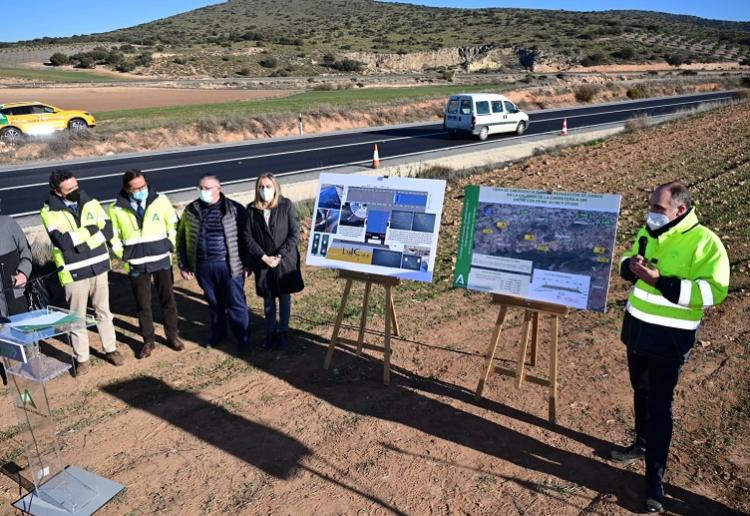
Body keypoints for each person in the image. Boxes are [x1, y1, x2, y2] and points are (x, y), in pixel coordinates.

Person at [612, 181, 730, 513]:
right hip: (636, 329)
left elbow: (714, 291)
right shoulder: (648, 229)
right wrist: (629, 269)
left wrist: (660, 282)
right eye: (651, 206)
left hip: (669, 338)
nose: (652, 214)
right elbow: (629, 255)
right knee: (640, 390)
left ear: (680, 210)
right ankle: (641, 444)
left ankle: (655, 482)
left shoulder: (706, 242)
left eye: (658, 209)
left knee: (659, 407)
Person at [39, 170, 124, 376]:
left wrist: (81, 243)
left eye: (76, 187)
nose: (75, 191)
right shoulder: (49, 212)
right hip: (73, 272)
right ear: (57, 192)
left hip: (99, 267)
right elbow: (63, 242)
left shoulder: (91, 202)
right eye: (69, 190)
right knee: (76, 317)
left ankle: (110, 349)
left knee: (103, 311)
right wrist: (91, 230)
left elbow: (108, 230)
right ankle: (82, 359)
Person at [109, 169, 184, 359]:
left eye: (143, 186)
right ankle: (148, 341)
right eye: (136, 188)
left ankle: (172, 335)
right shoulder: (116, 208)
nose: (141, 190)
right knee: (143, 305)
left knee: (168, 300)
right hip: (136, 263)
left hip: (160, 259)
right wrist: (122, 254)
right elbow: (113, 235)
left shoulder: (160, 200)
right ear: (127, 189)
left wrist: (170, 244)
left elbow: (173, 224)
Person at [177, 175, 251, 351]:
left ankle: (243, 337)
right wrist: (184, 264)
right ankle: (219, 333)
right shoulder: (191, 210)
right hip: (203, 266)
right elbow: (181, 239)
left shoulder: (234, 209)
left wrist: (248, 263)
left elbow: (247, 238)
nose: (204, 192)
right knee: (214, 302)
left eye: (208, 188)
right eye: (201, 188)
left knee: (235, 302)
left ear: (219, 188)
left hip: (229, 264)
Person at [243, 173, 304, 348]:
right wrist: (263, 257)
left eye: (268, 186)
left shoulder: (286, 206)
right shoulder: (252, 210)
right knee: (268, 298)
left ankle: (283, 331)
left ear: (275, 187)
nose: (264, 190)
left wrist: (279, 256)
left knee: (284, 296)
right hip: (263, 261)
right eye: (261, 187)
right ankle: (270, 333)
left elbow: (294, 234)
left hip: (283, 260)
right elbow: (248, 237)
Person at [0, 199, 32, 318]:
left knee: (22, 329)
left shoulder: (9, 224)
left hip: (16, 293)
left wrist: (23, 273)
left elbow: (26, 251)